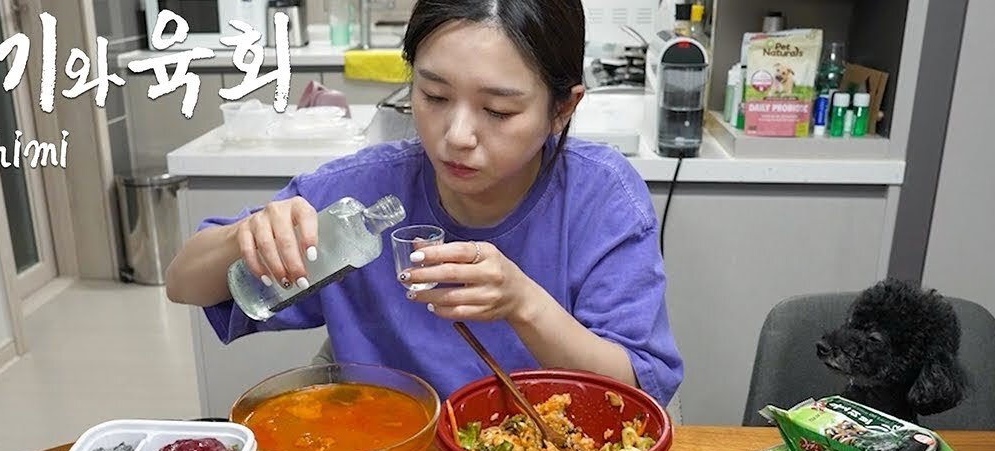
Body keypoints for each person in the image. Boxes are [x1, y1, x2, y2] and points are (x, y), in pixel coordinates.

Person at [165, 0, 684, 407]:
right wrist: (246, 235)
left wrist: (524, 304)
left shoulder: (601, 199)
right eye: (434, 97)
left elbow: (640, 388)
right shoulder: (362, 193)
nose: (456, 136)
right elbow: (183, 283)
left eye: (498, 111)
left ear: (562, 109)